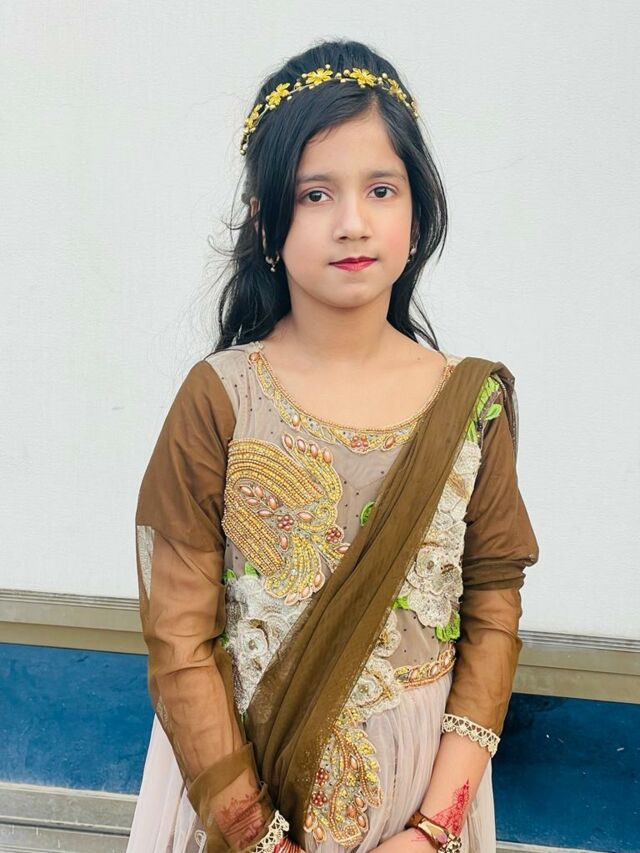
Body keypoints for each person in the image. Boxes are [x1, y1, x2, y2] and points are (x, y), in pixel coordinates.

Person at [126, 38, 540, 853]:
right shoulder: (220, 399)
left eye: (381, 189)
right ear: (266, 222)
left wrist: (433, 828)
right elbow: (179, 642)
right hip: (238, 792)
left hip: (424, 797)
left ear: (417, 213)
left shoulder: (471, 404)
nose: (352, 222)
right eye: (315, 194)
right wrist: (258, 836)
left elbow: (493, 609)